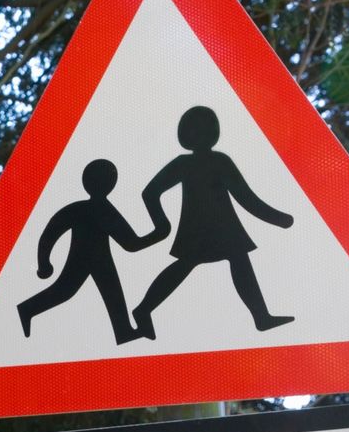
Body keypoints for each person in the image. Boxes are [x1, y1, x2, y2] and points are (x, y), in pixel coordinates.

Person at [132, 105, 294, 339]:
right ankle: (143, 309)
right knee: (198, 264)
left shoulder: (194, 162)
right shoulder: (209, 162)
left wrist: (277, 218)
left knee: (234, 261)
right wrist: (278, 218)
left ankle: (261, 317)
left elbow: (244, 196)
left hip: (219, 227)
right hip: (206, 228)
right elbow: (246, 197)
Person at [17, 158, 154, 344]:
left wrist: (44, 263)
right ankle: (26, 309)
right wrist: (159, 233)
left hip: (96, 259)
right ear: (111, 184)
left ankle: (123, 330)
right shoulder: (103, 209)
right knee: (67, 291)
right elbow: (131, 244)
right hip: (87, 259)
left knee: (103, 291)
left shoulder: (77, 208)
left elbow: (50, 233)